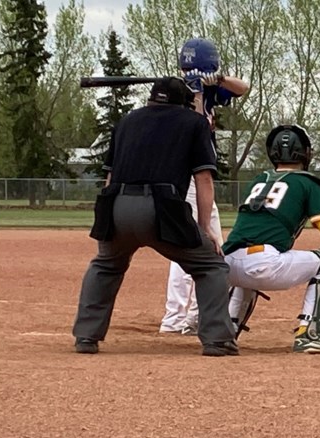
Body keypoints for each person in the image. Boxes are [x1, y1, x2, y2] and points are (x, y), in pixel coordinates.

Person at [71, 77, 239, 357]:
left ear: (152, 98)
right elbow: (204, 179)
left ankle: (86, 337)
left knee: (105, 265)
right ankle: (217, 340)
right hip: (163, 209)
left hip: (116, 205)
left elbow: (109, 177)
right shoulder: (193, 122)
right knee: (211, 265)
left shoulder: (126, 121)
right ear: (184, 104)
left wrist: (106, 220)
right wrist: (204, 227)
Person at [223, 124, 320, 354]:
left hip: (227, 264)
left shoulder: (258, 180)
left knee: (246, 274)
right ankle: (310, 334)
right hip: (263, 264)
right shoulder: (307, 183)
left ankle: (225, 330)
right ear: (306, 152)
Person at [159, 37, 250, 336]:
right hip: (186, 179)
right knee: (199, 245)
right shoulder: (177, 93)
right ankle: (179, 318)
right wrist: (194, 92)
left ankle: (186, 318)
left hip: (196, 178)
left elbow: (244, 87)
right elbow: (194, 125)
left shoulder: (211, 88)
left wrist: (216, 80)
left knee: (203, 245)